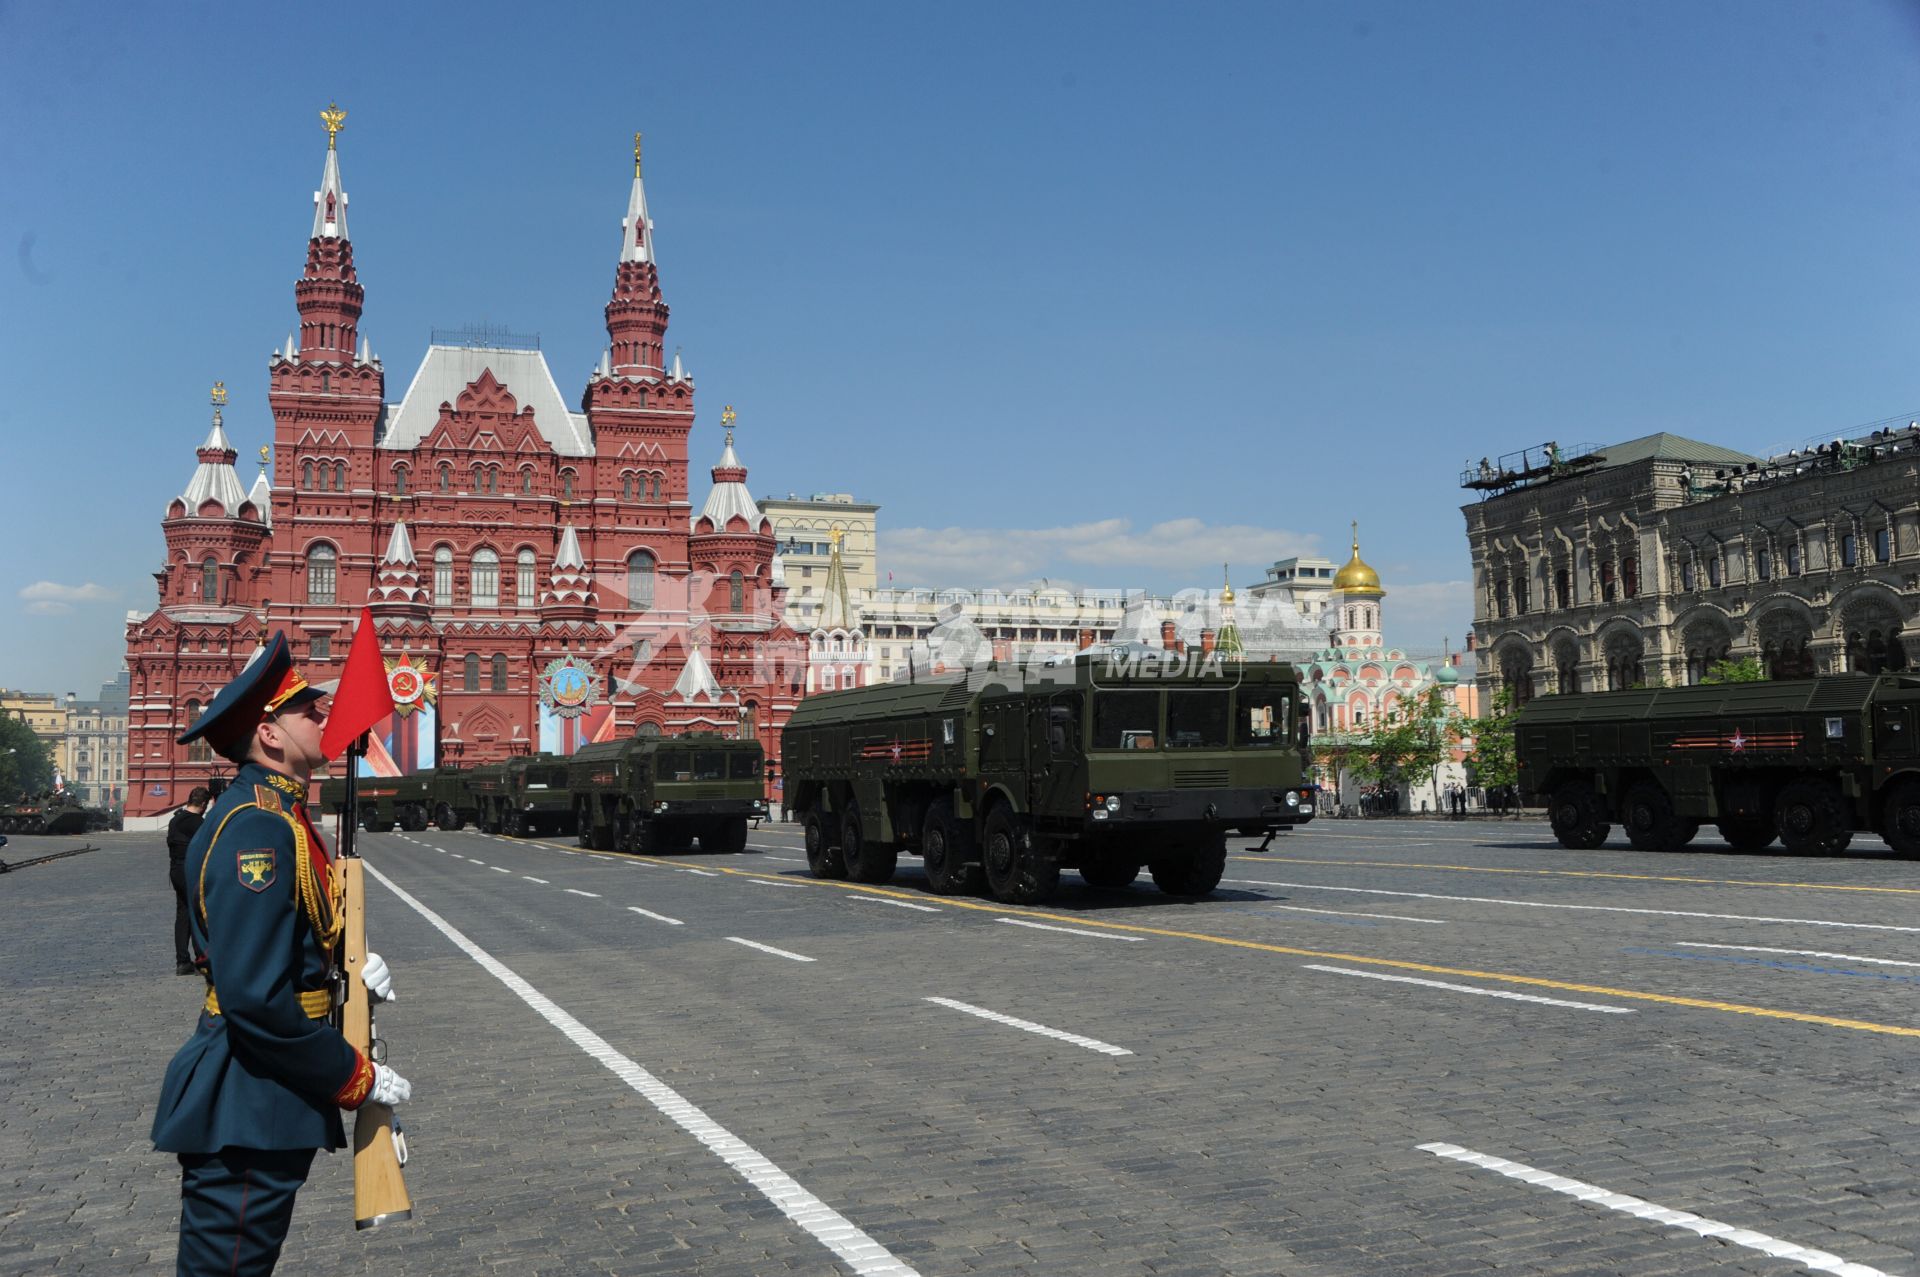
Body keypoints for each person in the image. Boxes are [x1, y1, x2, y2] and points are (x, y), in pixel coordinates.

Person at [152, 633, 412, 1276]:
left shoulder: (278, 816)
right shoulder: (259, 830)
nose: (322, 717)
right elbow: (254, 999)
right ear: (269, 735)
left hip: (263, 1097)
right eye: (306, 710)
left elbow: (282, 950)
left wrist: (345, 975)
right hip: (247, 1099)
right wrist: (355, 1077)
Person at [166, 787, 213, 975]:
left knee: (183, 914)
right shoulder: (197, 823)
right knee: (198, 913)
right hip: (190, 870)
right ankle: (202, 957)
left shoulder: (175, 819)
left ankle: (182, 961)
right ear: (203, 804)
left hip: (175, 871)